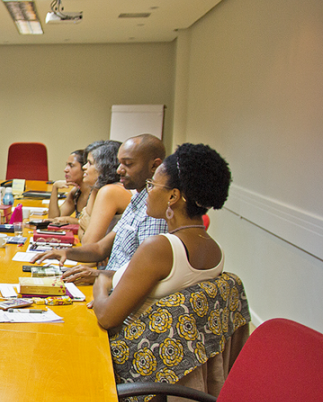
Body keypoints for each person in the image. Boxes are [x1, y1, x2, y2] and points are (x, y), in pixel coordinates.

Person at [90, 143, 230, 331]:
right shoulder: (216, 249)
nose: (148, 191)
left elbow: (107, 317)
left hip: (127, 347)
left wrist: (100, 283)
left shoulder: (159, 247)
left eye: (152, 185)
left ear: (172, 196)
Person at [33, 134, 167, 284]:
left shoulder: (155, 210)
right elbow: (99, 248)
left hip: (118, 289)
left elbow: (146, 274)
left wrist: (98, 275)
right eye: (120, 164)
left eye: (128, 164)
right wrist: (64, 252)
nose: (119, 170)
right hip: (109, 283)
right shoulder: (136, 199)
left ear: (154, 166)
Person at [77, 141, 132, 245]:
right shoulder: (98, 189)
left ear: (105, 166)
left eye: (90, 163)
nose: (84, 167)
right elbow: (82, 232)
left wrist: (87, 228)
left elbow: (88, 244)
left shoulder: (111, 191)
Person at [47, 149, 90, 225]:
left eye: (71, 165)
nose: (65, 170)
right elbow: (53, 219)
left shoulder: (94, 194)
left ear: (84, 168)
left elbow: (91, 224)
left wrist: (69, 220)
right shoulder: (76, 193)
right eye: (66, 165)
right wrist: (55, 188)